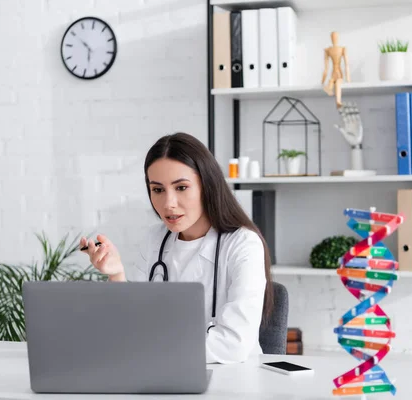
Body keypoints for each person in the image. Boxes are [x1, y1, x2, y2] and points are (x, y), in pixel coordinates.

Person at [79, 132, 274, 365]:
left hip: (232, 380)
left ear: (207, 186)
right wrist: (116, 274)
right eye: (158, 190)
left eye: (181, 187)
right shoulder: (154, 240)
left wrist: (148, 347)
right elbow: (129, 326)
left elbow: (233, 345)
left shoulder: (243, 244)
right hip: (161, 372)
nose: (168, 203)